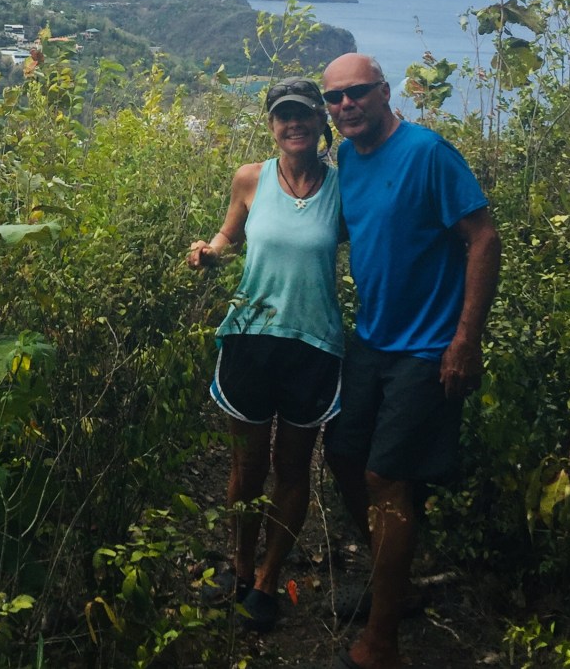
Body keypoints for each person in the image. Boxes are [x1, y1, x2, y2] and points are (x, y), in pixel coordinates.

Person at [322, 54, 501, 669]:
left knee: (386, 477)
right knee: (344, 454)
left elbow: (483, 237)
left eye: (357, 92)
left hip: (427, 348)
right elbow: (353, 229)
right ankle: (391, 580)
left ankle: (382, 643)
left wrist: (466, 339)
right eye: (334, 97)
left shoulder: (428, 153)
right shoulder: (348, 159)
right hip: (372, 338)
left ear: (384, 92)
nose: (346, 105)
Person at [187, 77, 344, 633]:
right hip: (250, 337)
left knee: (293, 468)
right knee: (246, 466)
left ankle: (269, 578)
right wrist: (210, 252)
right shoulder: (250, 178)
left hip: (313, 343)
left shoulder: (343, 188)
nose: (293, 124)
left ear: (321, 121)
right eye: (283, 115)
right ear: (272, 124)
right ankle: (240, 564)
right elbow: (229, 235)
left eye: (303, 114)